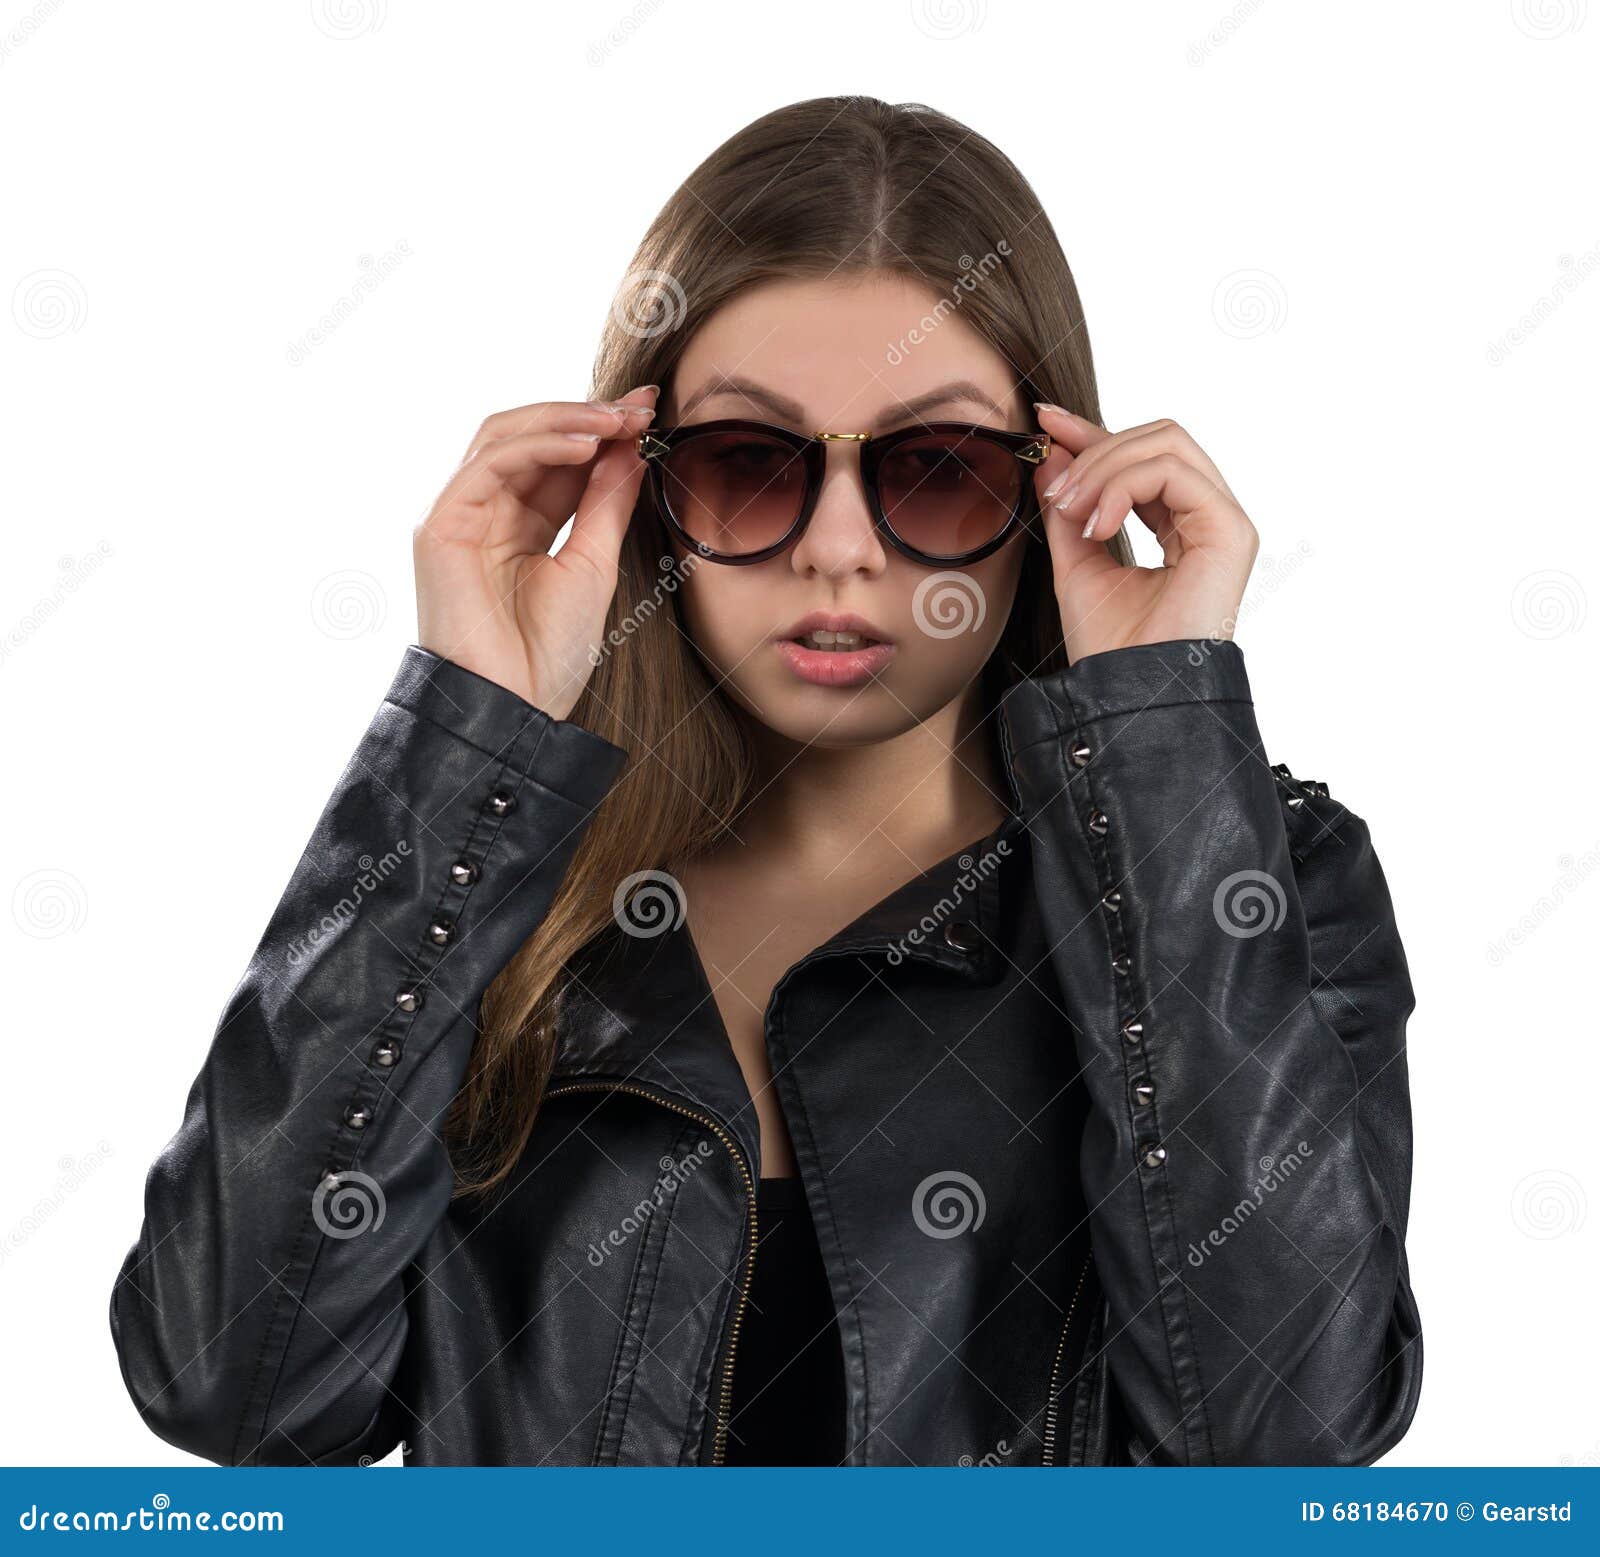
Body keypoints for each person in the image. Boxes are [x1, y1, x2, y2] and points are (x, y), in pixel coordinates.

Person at [110, 95, 1421, 1467]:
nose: (840, 549)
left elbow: (1283, 1446)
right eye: (749, 465)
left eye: (936, 470)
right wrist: (471, 736)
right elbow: (228, 1388)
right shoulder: (498, 893)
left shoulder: (1260, 880)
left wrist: (1160, 750)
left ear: (1052, 487)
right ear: (638, 488)